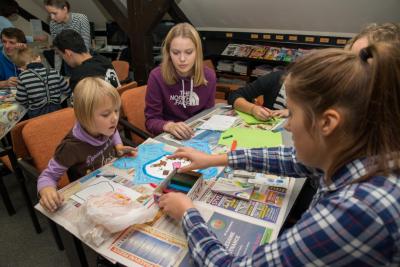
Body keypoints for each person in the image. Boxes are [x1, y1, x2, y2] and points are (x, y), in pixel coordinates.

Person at [158, 43, 400, 266]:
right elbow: (291, 160)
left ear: (327, 122)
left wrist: (188, 214)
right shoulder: (361, 150)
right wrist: (215, 159)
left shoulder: (358, 211)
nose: (286, 125)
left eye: (292, 114)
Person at [37, 77, 136, 213]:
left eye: (116, 110)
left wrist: (118, 146)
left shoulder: (106, 126)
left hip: (112, 180)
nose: (114, 118)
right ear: (85, 117)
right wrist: (47, 189)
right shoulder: (70, 147)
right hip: (90, 196)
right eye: (106, 114)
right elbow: (48, 176)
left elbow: (114, 132)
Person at [145, 22, 216, 140]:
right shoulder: (156, 76)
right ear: (168, 53)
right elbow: (151, 121)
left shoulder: (209, 76)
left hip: (197, 136)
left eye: (189, 52)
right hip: (168, 137)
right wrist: (168, 126)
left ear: (197, 52)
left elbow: (208, 115)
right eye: (176, 52)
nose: (182, 59)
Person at [52, 29, 120, 91]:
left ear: (68, 53)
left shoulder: (78, 75)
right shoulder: (103, 60)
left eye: (61, 55)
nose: (63, 59)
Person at [13, 47, 71, 118]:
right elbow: (68, 90)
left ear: (21, 68)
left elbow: (21, 100)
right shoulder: (54, 72)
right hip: (57, 110)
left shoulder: (23, 77)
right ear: (39, 58)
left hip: (36, 114)